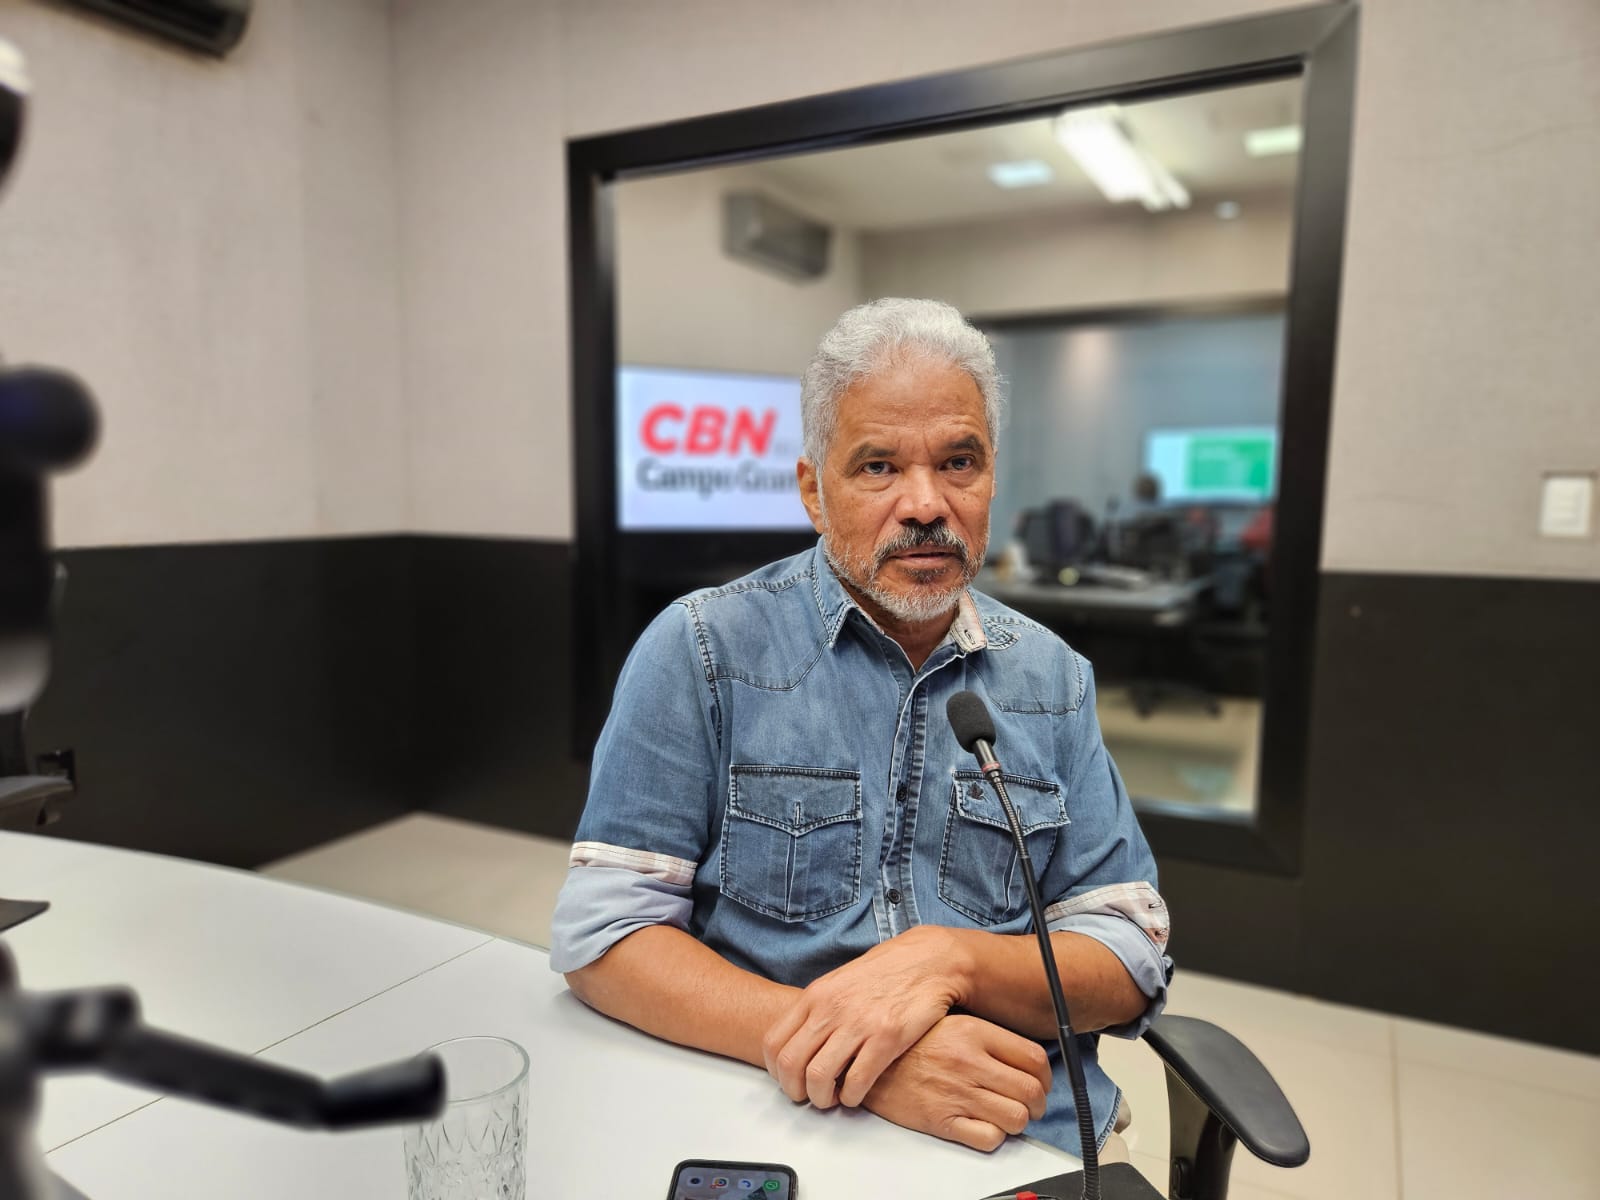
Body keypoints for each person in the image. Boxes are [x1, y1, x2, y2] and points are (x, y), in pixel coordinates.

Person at [550, 298, 1171, 1157]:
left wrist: (951, 961)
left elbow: (1128, 958)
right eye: (878, 467)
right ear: (814, 489)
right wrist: (867, 1058)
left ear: (993, 475)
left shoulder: (1053, 679)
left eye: (960, 461)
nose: (926, 505)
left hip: (1016, 1125)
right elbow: (605, 935)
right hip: (768, 1111)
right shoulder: (702, 650)